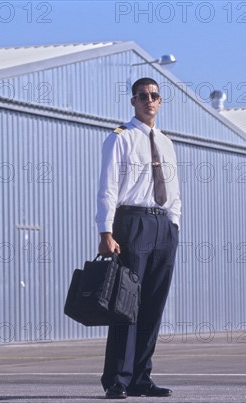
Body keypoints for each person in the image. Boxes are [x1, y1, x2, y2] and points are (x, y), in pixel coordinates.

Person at [95, 77, 181, 399]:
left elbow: (173, 191)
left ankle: (141, 377)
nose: (149, 100)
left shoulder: (168, 143)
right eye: (143, 96)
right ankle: (118, 379)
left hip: (162, 228)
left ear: (160, 102)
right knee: (125, 305)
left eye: (154, 96)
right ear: (133, 101)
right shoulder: (121, 138)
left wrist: (174, 226)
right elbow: (108, 187)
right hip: (132, 223)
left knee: (152, 306)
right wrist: (106, 230)